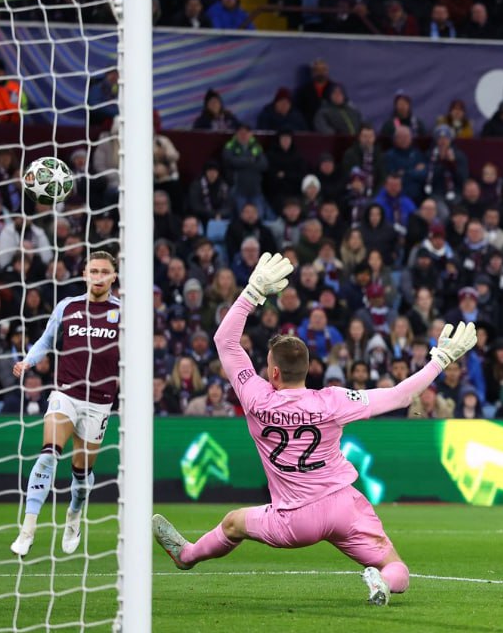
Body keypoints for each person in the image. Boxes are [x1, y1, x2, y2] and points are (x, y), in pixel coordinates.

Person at [152, 253, 478, 606]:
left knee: (233, 523)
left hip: (292, 520)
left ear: (274, 372)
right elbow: (401, 396)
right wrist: (441, 360)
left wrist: (252, 292)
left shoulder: (255, 396)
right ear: (307, 369)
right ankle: (382, 582)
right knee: (395, 567)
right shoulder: (332, 400)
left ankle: (187, 556)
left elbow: (225, 341)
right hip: (342, 507)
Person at [9, 252, 121, 557]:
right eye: (93, 271)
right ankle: (27, 529)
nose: (98, 277)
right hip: (66, 394)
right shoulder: (67, 307)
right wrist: (28, 361)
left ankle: (74, 514)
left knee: (81, 476)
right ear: (84, 274)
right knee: (48, 455)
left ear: (114, 277)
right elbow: (46, 341)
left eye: (104, 272)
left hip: (99, 402)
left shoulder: (122, 313)